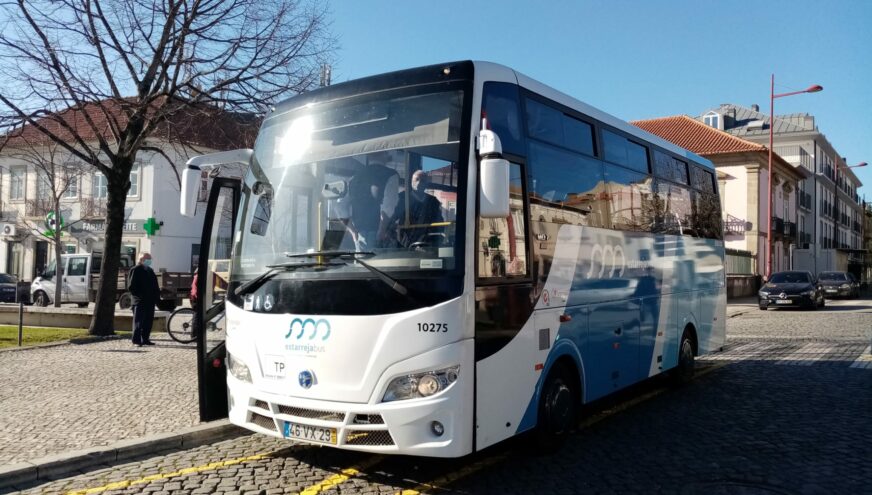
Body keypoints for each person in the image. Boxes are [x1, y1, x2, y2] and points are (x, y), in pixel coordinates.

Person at [338, 158, 398, 250]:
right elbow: (388, 206)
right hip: (381, 233)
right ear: (385, 153)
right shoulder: (391, 175)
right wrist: (381, 230)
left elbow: (340, 207)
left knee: (362, 264)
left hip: (360, 235)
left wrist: (353, 231)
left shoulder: (354, 178)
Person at [391, 169, 444, 248]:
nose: (419, 183)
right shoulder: (402, 199)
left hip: (427, 243)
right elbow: (392, 219)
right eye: (417, 179)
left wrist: (435, 241)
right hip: (405, 243)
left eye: (422, 180)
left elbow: (440, 224)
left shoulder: (433, 202)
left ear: (426, 183)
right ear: (412, 182)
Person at [128, 253, 160, 347]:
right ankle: (136, 340)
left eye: (150, 259)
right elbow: (131, 286)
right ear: (141, 259)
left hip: (150, 301)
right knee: (138, 322)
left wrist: (156, 296)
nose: (150, 261)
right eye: (148, 259)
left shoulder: (150, 270)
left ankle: (145, 339)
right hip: (139, 301)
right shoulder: (135, 270)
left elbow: (155, 284)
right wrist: (140, 296)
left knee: (148, 321)